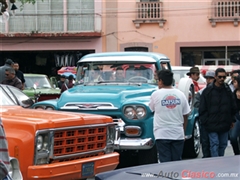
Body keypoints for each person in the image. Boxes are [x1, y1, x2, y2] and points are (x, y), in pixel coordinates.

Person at [149, 69, 190, 163]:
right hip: (178, 133)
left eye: (158, 80)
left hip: (161, 134)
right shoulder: (181, 94)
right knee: (177, 162)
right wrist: (183, 131)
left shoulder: (155, 95)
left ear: (161, 81)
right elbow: (186, 115)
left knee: (165, 162)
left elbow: (151, 109)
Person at [199, 68, 237, 157]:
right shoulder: (208, 91)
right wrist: (205, 121)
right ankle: (216, 163)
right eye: (220, 77)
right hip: (211, 124)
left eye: (224, 77)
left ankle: (220, 162)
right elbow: (202, 108)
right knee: (214, 144)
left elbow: (232, 106)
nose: (222, 79)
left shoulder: (227, 91)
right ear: (215, 77)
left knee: (223, 144)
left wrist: (231, 120)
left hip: (224, 123)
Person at [194, 71, 215, 158]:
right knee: (205, 141)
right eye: (207, 78)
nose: (208, 80)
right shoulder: (201, 92)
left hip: (216, 120)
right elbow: (196, 104)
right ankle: (207, 157)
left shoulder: (221, 91)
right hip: (205, 120)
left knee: (215, 142)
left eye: (211, 78)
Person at [229, 75, 240, 155]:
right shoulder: (233, 93)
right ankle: (237, 153)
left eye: (235, 82)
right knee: (233, 137)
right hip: (236, 117)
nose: (234, 84)